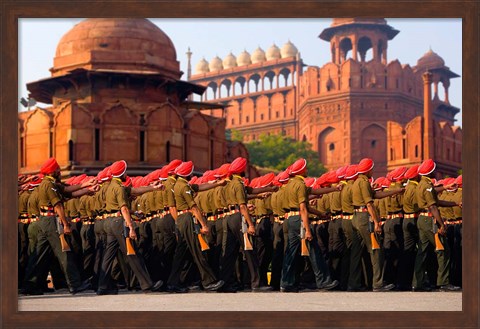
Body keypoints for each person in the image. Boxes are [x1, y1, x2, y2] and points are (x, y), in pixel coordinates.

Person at [23, 158, 91, 295]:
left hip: (44, 220)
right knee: (64, 252)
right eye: (58, 170)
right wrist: (65, 224)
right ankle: (74, 284)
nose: (60, 172)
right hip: (50, 221)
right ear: (53, 171)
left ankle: (29, 285)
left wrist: (86, 185)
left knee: (39, 255)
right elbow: (58, 205)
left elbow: (67, 190)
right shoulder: (50, 185)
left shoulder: (48, 183)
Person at [97, 160, 163, 295]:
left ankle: (102, 287)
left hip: (109, 223)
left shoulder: (110, 186)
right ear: (122, 173)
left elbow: (134, 190)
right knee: (133, 253)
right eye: (125, 171)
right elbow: (124, 208)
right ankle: (147, 285)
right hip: (118, 222)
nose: (126, 174)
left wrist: (153, 188)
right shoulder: (119, 188)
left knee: (108, 256)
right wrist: (131, 227)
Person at [280, 158, 339, 292]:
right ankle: (323, 282)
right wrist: (307, 230)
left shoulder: (289, 185)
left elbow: (314, 192)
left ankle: (286, 283)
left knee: (290, 253)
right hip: (300, 220)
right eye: (305, 168)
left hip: (290, 220)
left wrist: (333, 190)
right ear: (301, 170)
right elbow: (303, 208)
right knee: (315, 251)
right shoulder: (300, 185)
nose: (307, 170)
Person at [166, 161, 225, 293]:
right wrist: (203, 224)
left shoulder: (177, 185)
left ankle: (172, 283)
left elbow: (197, 188)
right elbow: (193, 207)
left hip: (181, 220)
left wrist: (214, 184)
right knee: (197, 251)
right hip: (187, 219)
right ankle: (209, 282)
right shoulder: (183, 187)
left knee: (180, 254)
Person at [350, 158, 402, 292]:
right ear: (367, 170)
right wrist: (377, 222)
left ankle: (354, 283)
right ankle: (378, 284)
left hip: (356, 218)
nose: (372, 171)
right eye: (371, 169)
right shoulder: (364, 182)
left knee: (357, 253)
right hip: (364, 218)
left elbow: (377, 195)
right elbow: (369, 203)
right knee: (376, 250)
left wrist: (396, 191)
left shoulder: (356, 182)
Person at [412, 159, 461, 292]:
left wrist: (452, 200)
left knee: (422, 252)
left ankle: (417, 283)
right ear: (431, 171)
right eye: (434, 169)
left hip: (422, 220)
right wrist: (441, 224)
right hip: (430, 220)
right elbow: (433, 206)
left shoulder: (421, 185)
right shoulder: (427, 186)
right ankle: (443, 283)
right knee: (443, 250)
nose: (435, 171)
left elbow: (435, 197)